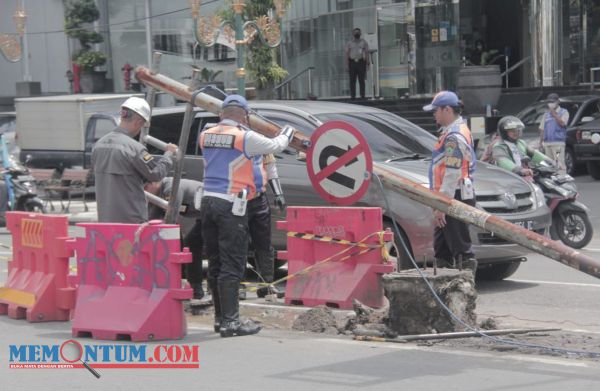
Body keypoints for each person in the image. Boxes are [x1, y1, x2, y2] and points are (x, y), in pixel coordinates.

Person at [200, 94, 294, 337]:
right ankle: (232, 323)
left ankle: (221, 319)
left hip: (208, 202)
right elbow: (275, 147)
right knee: (233, 264)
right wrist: (287, 133)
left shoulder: (206, 135)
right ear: (243, 115)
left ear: (222, 114)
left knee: (216, 263)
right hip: (231, 205)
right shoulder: (244, 137)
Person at [91, 97, 177, 223]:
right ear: (138, 121)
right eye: (142, 125)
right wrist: (169, 154)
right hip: (131, 219)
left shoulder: (99, 145)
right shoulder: (135, 148)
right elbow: (156, 174)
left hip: (105, 219)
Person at [423, 91, 477, 272]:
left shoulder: (454, 136)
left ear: (447, 110)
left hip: (454, 196)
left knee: (460, 247)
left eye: (435, 110)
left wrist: (442, 205)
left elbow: (452, 173)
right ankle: (444, 289)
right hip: (450, 195)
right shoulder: (452, 132)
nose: (434, 114)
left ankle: (465, 288)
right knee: (442, 249)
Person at [145, 177, 208, 302]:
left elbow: (171, 217)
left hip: (214, 211)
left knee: (193, 244)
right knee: (190, 243)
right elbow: (150, 220)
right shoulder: (158, 194)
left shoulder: (171, 187)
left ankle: (197, 288)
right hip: (203, 215)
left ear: (155, 182)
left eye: (146, 188)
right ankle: (194, 287)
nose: (146, 193)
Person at [247, 153, 286, 299]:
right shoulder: (238, 137)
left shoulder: (262, 143)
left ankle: (266, 285)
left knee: (264, 244)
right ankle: (236, 286)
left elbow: (270, 168)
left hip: (259, 198)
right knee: (237, 243)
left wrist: (278, 193)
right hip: (236, 197)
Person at [539, 93, 569, 175]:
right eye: (549, 102)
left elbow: (563, 123)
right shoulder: (546, 114)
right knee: (549, 164)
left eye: (553, 101)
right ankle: (552, 181)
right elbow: (542, 129)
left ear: (558, 101)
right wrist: (540, 143)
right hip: (547, 143)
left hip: (558, 143)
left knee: (559, 162)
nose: (551, 103)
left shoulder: (564, 112)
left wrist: (554, 115)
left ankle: (562, 179)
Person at [345, 27, 370, 100]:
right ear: (353, 34)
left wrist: (367, 63)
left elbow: (366, 53)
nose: (357, 34)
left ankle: (362, 96)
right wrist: (346, 65)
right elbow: (346, 54)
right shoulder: (349, 43)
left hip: (361, 62)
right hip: (352, 63)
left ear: (360, 33)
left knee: (361, 80)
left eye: (358, 32)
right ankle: (353, 97)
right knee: (352, 80)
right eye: (355, 32)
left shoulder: (364, 42)